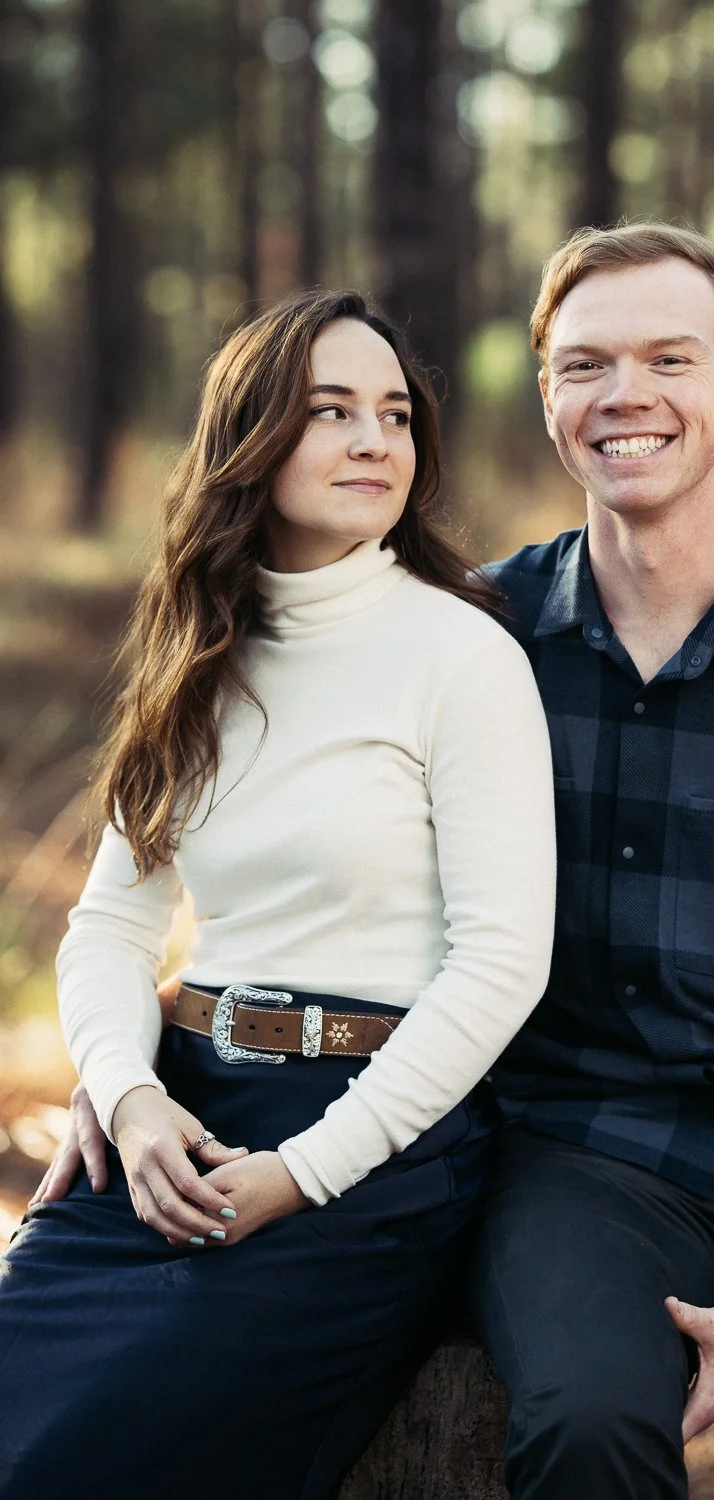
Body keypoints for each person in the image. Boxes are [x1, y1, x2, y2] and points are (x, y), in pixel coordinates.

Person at [42, 225, 714, 1497]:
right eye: (584, 364)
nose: (625, 396)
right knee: (585, 1426)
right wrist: (132, 1074)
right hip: (582, 1159)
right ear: (546, 397)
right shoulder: (477, 636)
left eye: (669, 357)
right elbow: (231, 882)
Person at [0, 288, 556, 1499]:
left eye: (394, 415)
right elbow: (109, 926)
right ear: (248, 439)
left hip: (370, 1139)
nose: (375, 441)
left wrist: (305, 1170)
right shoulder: (199, 652)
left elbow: (504, 960)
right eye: (331, 412)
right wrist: (129, 1095)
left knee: (104, 1462)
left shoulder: (462, 656)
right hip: (179, 1117)